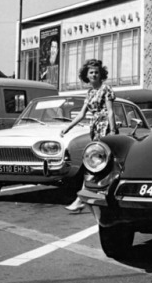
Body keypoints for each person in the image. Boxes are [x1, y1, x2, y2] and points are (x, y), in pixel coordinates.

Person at [60, 59, 118, 212]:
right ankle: (87, 198)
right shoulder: (90, 92)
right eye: (91, 72)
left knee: (95, 164)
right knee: (95, 164)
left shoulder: (106, 89)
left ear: (101, 75)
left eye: (97, 72)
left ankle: (81, 199)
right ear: (86, 75)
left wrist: (112, 132)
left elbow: (111, 111)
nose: (94, 75)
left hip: (105, 127)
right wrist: (68, 128)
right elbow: (81, 114)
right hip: (95, 129)